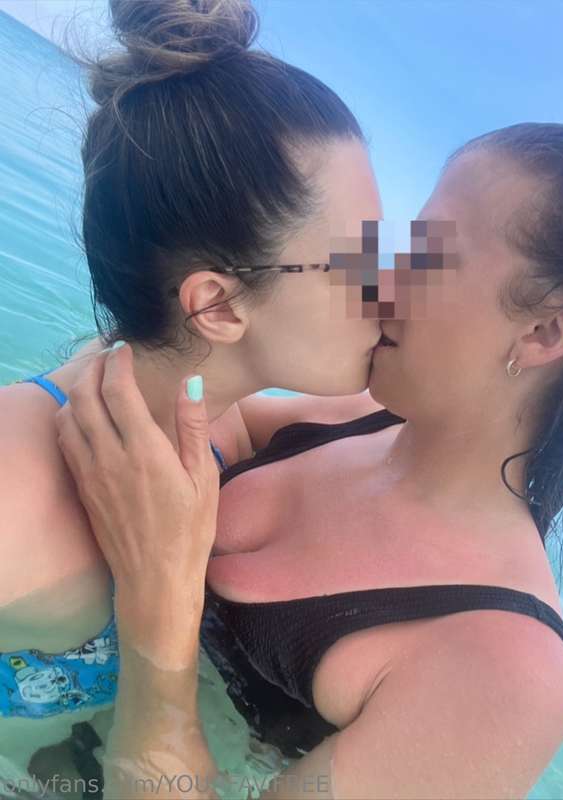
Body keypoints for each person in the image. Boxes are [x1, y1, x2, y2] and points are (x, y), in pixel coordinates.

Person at [55, 109, 563, 796]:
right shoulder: (349, 417)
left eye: (429, 256)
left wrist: (159, 598)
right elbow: (165, 400)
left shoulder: (505, 669)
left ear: (546, 333)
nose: (380, 280)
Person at [0, 0, 386, 778]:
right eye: (358, 265)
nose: (389, 294)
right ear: (217, 305)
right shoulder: (14, 499)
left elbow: (409, 422)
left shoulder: (214, 411)